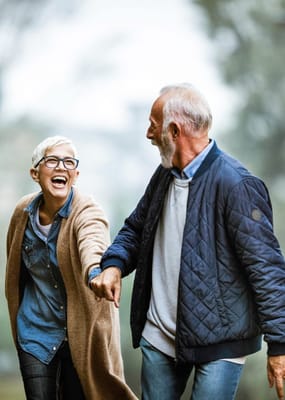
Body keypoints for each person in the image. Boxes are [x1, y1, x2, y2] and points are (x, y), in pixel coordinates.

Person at [90, 83, 285, 400]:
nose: (148, 134)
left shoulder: (236, 184)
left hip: (221, 342)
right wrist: (113, 265)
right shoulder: (164, 175)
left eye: (153, 125)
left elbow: (266, 268)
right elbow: (136, 229)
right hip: (160, 336)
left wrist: (280, 343)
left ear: (174, 130)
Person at [5, 136, 138, 400]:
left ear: (75, 174)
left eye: (68, 162)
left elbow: (93, 242)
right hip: (35, 330)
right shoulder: (23, 212)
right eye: (52, 161)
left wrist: (95, 273)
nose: (61, 167)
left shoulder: (87, 210)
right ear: (35, 173)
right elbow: (14, 268)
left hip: (81, 334)